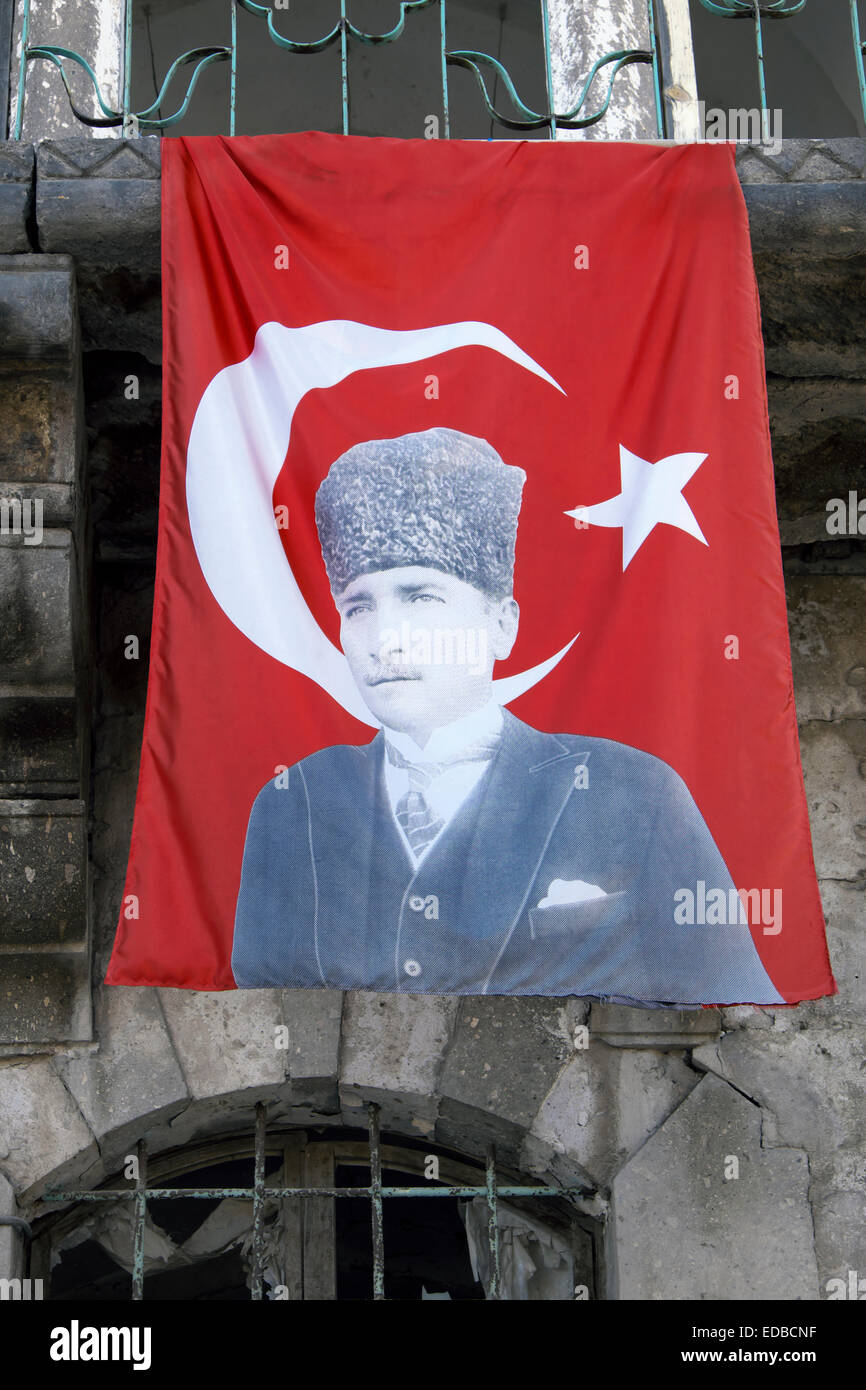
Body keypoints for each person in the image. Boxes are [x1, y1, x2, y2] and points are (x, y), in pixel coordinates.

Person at [231, 427, 783, 1005]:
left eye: (421, 598)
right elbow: (257, 1015)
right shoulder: (295, 802)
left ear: (502, 625)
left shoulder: (633, 791)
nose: (383, 640)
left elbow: (734, 1008)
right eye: (358, 606)